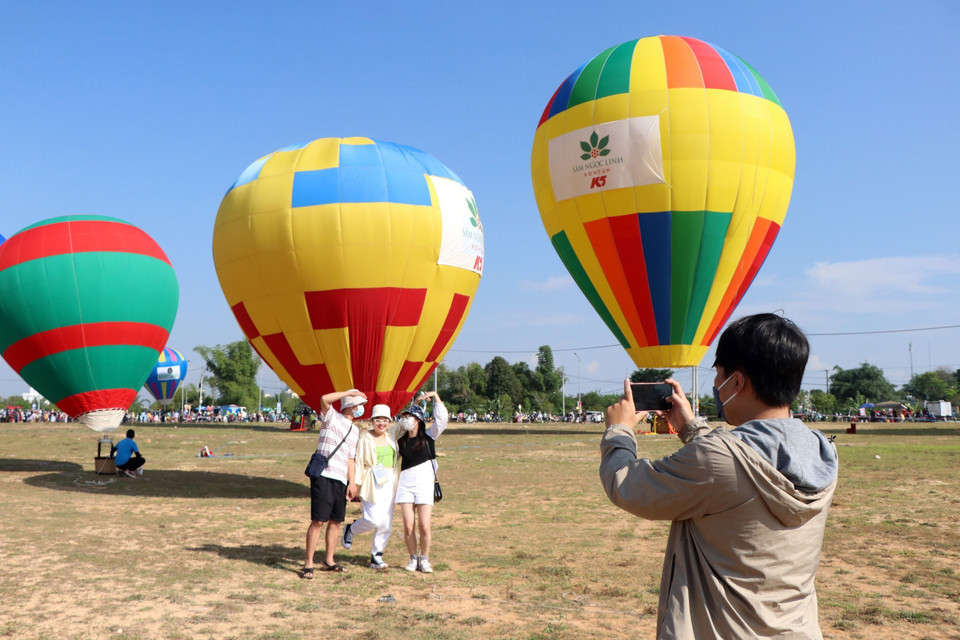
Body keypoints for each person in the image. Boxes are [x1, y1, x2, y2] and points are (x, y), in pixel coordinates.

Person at [599, 313, 839, 639]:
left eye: (718, 374)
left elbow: (628, 485)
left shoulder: (716, 459)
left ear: (736, 382)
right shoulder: (822, 450)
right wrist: (691, 428)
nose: (716, 385)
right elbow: (737, 466)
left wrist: (619, 430)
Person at [301, 389, 365, 579]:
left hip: (341, 478)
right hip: (324, 475)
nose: (361, 409)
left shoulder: (355, 430)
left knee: (336, 521)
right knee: (318, 521)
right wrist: (348, 392)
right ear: (352, 406)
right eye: (359, 405)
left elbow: (351, 458)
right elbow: (324, 398)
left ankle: (329, 560)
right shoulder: (331, 418)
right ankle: (308, 562)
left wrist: (352, 483)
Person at [341, 403, 401, 569]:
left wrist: (417, 403)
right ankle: (351, 529)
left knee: (386, 521)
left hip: (390, 480)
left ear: (389, 421)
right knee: (373, 519)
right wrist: (355, 484)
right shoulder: (365, 438)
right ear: (372, 421)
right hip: (371, 479)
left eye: (385, 420)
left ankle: (377, 555)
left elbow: (405, 423)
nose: (381, 423)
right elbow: (359, 462)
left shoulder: (391, 435)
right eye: (378, 420)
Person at [394, 391, 447, 573]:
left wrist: (436, 397)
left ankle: (424, 558)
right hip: (405, 485)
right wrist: (415, 402)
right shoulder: (400, 442)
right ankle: (412, 558)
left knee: (424, 526)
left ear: (418, 420)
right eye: (404, 417)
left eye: (409, 417)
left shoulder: (429, 436)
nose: (405, 420)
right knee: (408, 526)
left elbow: (442, 421)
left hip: (424, 485)